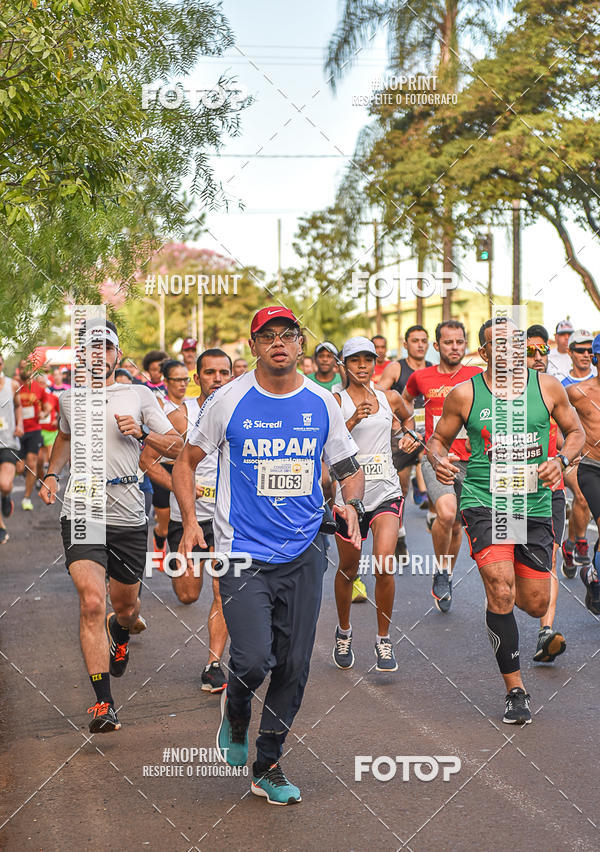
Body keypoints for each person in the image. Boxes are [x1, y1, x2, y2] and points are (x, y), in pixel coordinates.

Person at [173, 305, 364, 805]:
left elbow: (348, 467)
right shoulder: (227, 400)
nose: (279, 343)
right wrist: (190, 522)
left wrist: (351, 504)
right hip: (241, 552)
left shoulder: (322, 402)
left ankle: (269, 762)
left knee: (295, 663)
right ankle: (237, 711)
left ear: (301, 343)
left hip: (305, 549)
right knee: (254, 659)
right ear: (254, 345)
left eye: (288, 334)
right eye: (268, 336)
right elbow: (185, 463)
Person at [429, 317, 584, 723]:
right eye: (500, 344)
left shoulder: (546, 386)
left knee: (534, 603)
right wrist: (438, 459)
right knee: (501, 590)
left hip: (532, 504)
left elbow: (576, 432)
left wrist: (561, 459)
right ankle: (515, 690)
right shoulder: (466, 394)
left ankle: (511, 586)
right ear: (484, 353)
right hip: (486, 501)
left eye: (516, 342)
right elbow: (438, 440)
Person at [41, 321, 183, 732]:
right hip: (82, 509)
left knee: (125, 607)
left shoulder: (139, 395)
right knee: (91, 601)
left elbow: (178, 445)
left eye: (106, 348)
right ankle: (104, 704)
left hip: (127, 513)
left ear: (117, 355)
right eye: (91, 348)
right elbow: (64, 437)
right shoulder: (69, 399)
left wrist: (143, 433)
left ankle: (120, 631)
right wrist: (51, 474)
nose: (98, 355)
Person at [141, 349, 231, 692]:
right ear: (197, 378)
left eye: (224, 372)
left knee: (223, 591)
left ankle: (213, 663)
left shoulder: (240, 413)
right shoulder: (182, 416)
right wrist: (184, 491)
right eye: (210, 373)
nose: (217, 379)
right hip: (185, 519)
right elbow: (147, 461)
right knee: (189, 594)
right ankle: (167, 547)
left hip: (225, 521)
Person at [331, 337, 411, 672]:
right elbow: (326, 443)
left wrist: (406, 436)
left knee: (383, 565)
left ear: (375, 363)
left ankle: (384, 639)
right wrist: (351, 422)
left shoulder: (388, 397)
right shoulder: (335, 401)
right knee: (348, 569)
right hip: (349, 498)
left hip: (385, 493)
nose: (362, 365)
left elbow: (409, 419)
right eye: (355, 360)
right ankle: (344, 631)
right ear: (344, 365)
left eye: (368, 359)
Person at [399, 320, 482, 612]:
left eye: (460, 342)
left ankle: (445, 572)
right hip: (435, 458)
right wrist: (410, 431)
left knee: (457, 525)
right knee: (445, 514)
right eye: (448, 342)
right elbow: (404, 403)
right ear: (437, 346)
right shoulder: (421, 377)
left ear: (466, 344)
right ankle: (441, 569)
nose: (455, 347)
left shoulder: (477, 376)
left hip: (471, 462)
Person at [526, 325, 567, 661]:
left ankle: (545, 632)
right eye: (530, 352)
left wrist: (564, 459)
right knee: (507, 566)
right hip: (509, 491)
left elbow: (574, 433)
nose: (538, 357)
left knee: (550, 556)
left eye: (543, 351)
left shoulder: (555, 389)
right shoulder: (502, 393)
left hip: (549, 489)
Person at [379, 325, 432, 554]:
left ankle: (433, 511)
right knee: (400, 486)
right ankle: (399, 530)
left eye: (423, 340)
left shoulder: (433, 369)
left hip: (428, 434)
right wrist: (393, 416)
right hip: (402, 434)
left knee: (435, 472)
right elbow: (378, 394)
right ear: (405, 344)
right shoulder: (396, 368)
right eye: (415, 340)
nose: (420, 344)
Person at [566, 333, 600, 614]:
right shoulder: (577, 392)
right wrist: (566, 449)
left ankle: (593, 574)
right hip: (591, 468)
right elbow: (549, 412)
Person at [146, 359, 190, 569]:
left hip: (184, 468)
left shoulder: (191, 406)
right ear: (166, 381)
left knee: (184, 517)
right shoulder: (158, 404)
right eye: (177, 380)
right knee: (164, 522)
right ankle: (159, 542)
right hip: (162, 467)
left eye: (185, 379)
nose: (182, 384)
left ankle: (179, 556)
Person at [560, 330, 595, 573]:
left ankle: (570, 543)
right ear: (570, 353)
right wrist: (568, 451)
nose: (585, 354)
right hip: (572, 455)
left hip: (594, 455)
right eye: (580, 350)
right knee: (582, 496)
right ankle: (581, 543)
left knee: (583, 505)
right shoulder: (562, 385)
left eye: (589, 350)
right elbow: (555, 425)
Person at [15, 357, 52, 511]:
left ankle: (26, 498)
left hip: (34, 430)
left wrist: (44, 412)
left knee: (32, 463)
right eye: (23, 367)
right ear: (19, 370)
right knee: (19, 468)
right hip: (17, 432)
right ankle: (23, 475)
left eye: (28, 367)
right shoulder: (14, 386)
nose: (25, 370)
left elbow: (48, 405)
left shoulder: (38, 388)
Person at [0, 353, 24, 544]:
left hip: (8, 441)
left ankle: (6, 496)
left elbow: (18, 406)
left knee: (4, 484)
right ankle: (1, 527)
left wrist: (20, 424)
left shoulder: (12, 385)